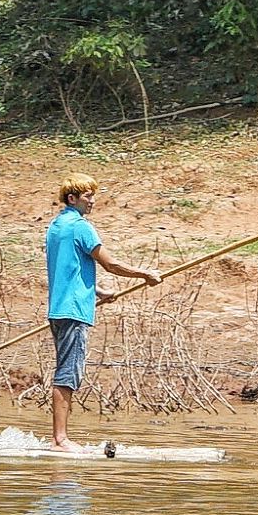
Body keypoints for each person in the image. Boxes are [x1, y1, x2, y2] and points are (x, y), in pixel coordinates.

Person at [40, 175, 160, 452]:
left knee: (66, 372)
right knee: (67, 375)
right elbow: (111, 264)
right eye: (87, 197)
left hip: (60, 309)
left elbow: (67, 268)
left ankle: (60, 438)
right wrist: (145, 275)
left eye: (93, 196)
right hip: (73, 311)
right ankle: (60, 440)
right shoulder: (81, 227)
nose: (92, 202)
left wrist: (96, 292)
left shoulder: (56, 226)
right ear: (72, 199)